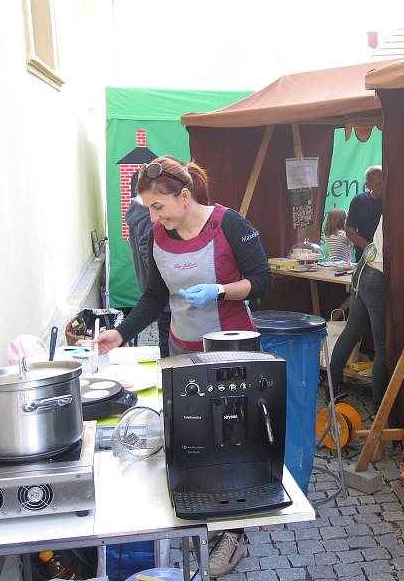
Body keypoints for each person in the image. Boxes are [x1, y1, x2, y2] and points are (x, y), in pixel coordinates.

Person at [95, 156, 272, 577]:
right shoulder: (157, 236)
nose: (154, 216)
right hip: (181, 349)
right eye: (149, 209)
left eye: (159, 206)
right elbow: (154, 298)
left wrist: (222, 290)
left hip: (233, 352)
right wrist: (121, 333)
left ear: (185, 195)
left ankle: (234, 535)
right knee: (191, 439)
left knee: (233, 443)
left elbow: (263, 280)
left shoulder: (230, 224)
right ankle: (202, 521)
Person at [329, 212, 387, 408]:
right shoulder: (401, 206)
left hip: (364, 269)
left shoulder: (389, 207)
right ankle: (379, 407)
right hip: (377, 274)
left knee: (351, 332)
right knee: (382, 347)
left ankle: (331, 387)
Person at [125, 188, 171, 356]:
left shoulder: (138, 210)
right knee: (169, 354)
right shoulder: (148, 214)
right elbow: (147, 251)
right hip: (165, 300)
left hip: (159, 297)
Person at [346, 165, 383, 262]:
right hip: (365, 257)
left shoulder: (393, 202)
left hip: (388, 258)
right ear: (368, 185)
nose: (383, 187)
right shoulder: (359, 201)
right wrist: (368, 248)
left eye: (384, 183)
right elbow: (349, 230)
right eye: (378, 184)